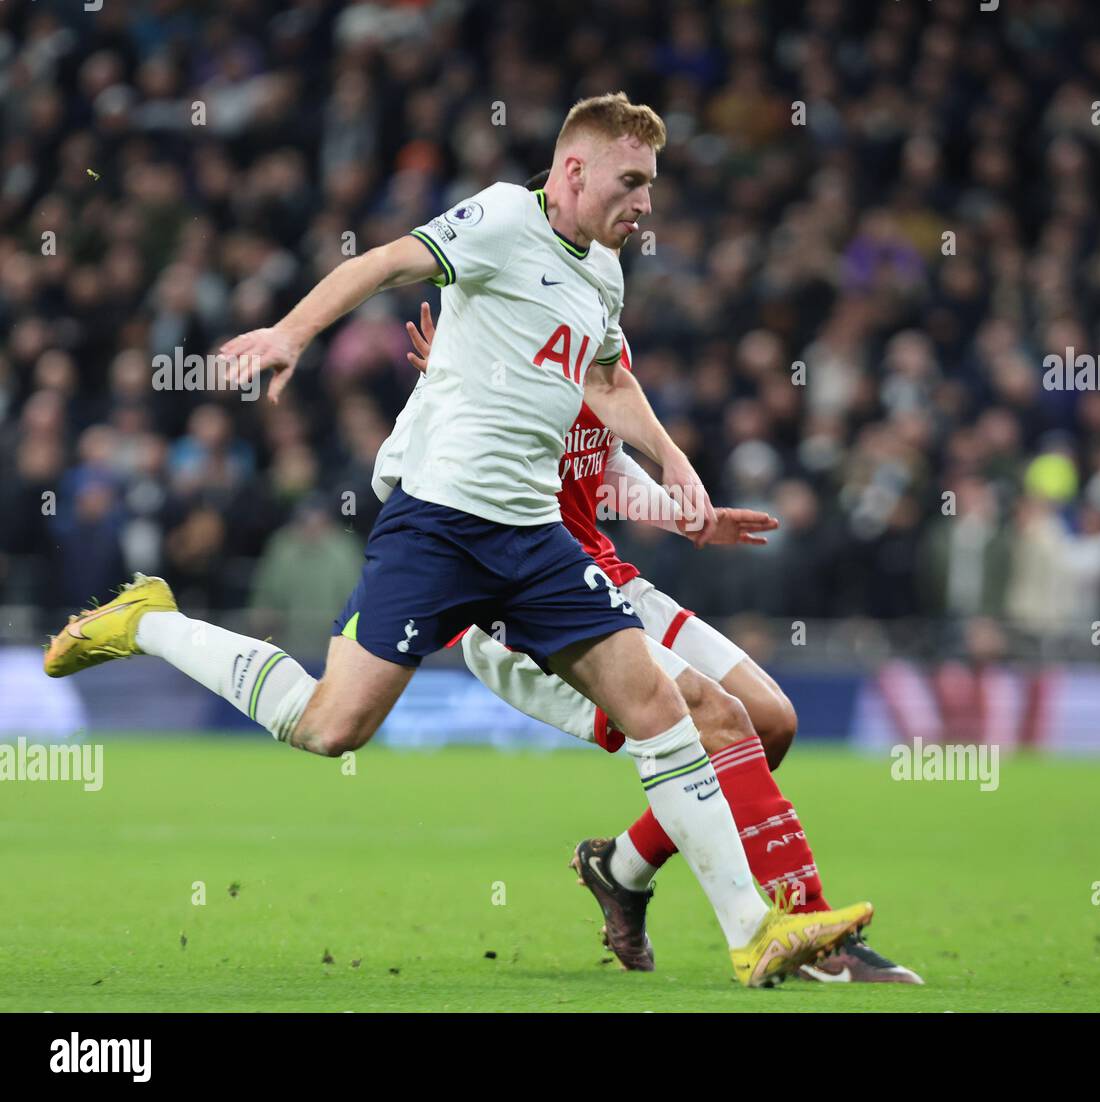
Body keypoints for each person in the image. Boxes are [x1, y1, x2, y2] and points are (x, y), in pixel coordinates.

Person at [43, 92, 870, 987]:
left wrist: (672, 459)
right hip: (436, 529)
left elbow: (605, 377)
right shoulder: (505, 218)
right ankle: (148, 619)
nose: (645, 204)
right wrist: (291, 332)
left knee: (671, 712)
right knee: (330, 728)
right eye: (631, 182)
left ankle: (752, 932)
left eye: (652, 186)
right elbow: (391, 261)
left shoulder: (603, 274)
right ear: (573, 171)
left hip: (535, 539)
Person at [402, 295, 921, 984]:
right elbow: (428, 479)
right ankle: (811, 929)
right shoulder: (482, 353)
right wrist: (452, 389)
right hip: (525, 605)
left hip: (601, 574)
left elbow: (600, 470)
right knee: (717, 718)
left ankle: (620, 867)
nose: (631, 217)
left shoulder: (598, 339)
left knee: (769, 722)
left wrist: (687, 518)